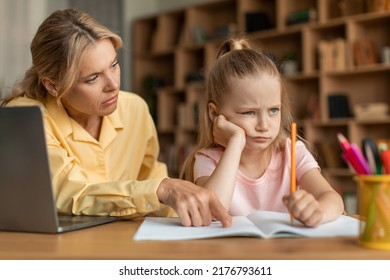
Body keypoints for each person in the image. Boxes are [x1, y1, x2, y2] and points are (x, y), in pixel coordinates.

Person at [0, 9, 231, 228]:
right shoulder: (25, 117)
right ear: (52, 85)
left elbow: (151, 180)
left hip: (124, 242)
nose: (113, 85)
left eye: (114, 65)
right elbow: (70, 191)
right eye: (93, 78)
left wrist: (189, 218)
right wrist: (159, 190)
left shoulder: (135, 109)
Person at [180, 36, 344, 227]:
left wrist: (319, 212)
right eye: (249, 112)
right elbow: (212, 211)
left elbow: (332, 198)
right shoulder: (208, 159)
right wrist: (235, 141)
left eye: (274, 110)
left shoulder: (292, 152)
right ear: (214, 114)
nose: (264, 125)